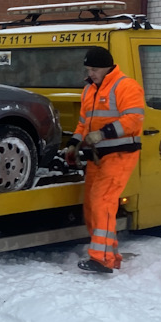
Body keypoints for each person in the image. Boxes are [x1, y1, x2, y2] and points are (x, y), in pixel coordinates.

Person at [63, 45, 145, 275]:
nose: (90, 73)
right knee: (92, 206)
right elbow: (83, 122)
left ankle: (103, 259)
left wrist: (104, 133)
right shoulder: (89, 89)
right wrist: (73, 143)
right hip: (97, 157)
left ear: (107, 68)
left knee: (103, 202)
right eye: (88, 69)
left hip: (120, 154)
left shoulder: (126, 86)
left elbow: (134, 119)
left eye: (94, 69)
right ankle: (108, 254)